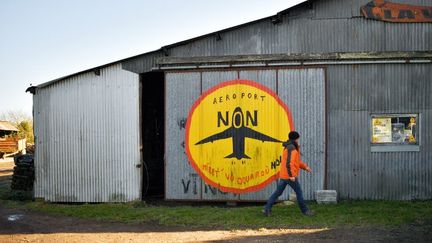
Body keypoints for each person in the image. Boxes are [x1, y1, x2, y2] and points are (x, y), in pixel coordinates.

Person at [263, 131, 315, 216]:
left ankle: (267, 209)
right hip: (289, 176)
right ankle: (305, 211)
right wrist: (291, 175)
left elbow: (296, 161)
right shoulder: (292, 148)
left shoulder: (289, 146)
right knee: (299, 192)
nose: (299, 140)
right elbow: (289, 163)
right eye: (298, 138)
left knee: (278, 192)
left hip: (284, 175)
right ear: (296, 138)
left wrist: (305, 167)